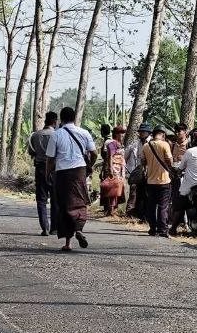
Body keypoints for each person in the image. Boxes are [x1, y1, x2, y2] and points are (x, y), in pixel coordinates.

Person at [45, 107, 96, 252]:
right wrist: (89, 166)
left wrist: (48, 173)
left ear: (61, 119)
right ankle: (79, 228)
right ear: (74, 118)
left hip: (62, 173)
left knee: (64, 205)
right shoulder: (84, 132)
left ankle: (68, 243)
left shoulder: (56, 135)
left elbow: (50, 158)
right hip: (79, 171)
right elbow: (94, 153)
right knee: (80, 201)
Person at [27, 112, 58, 236]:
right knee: (55, 199)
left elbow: (31, 152)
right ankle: (54, 227)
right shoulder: (56, 135)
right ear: (55, 121)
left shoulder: (35, 135)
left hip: (40, 168)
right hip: (55, 169)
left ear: (45, 121)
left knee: (41, 199)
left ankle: (45, 226)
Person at [141, 126, 175, 238]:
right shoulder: (164, 144)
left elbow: (143, 161)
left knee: (151, 206)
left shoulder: (146, 146)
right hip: (164, 181)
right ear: (163, 134)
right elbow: (170, 160)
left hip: (150, 181)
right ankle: (163, 230)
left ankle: (152, 229)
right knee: (163, 206)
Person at [99, 125, 127, 215]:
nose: (122, 135)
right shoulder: (113, 143)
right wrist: (111, 169)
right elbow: (110, 157)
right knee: (112, 188)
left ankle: (114, 209)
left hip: (120, 168)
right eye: (120, 133)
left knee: (118, 189)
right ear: (116, 134)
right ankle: (110, 210)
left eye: (123, 133)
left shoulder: (120, 144)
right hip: (114, 168)